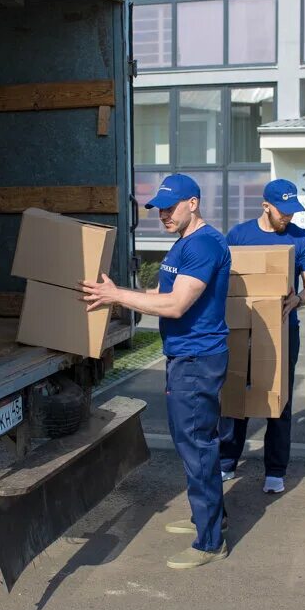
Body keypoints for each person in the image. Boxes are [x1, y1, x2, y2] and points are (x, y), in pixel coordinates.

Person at [81, 173, 232, 569]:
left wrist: (116, 295)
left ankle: (210, 541)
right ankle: (209, 519)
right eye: (159, 208)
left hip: (197, 360)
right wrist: (124, 297)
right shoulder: (185, 243)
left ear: (193, 203)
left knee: (196, 446)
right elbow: (162, 295)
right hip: (186, 356)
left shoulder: (203, 245)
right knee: (195, 443)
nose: (163, 214)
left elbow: (178, 304)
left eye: (170, 207)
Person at [218, 179, 305, 494]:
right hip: (239, 328)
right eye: (283, 211)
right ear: (266, 206)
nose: (288, 217)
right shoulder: (238, 235)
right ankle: (226, 461)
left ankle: (275, 469)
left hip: (281, 330)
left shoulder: (301, 240)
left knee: (279, 397)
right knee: (235, 391)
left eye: (292, 211)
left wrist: (299, 299)